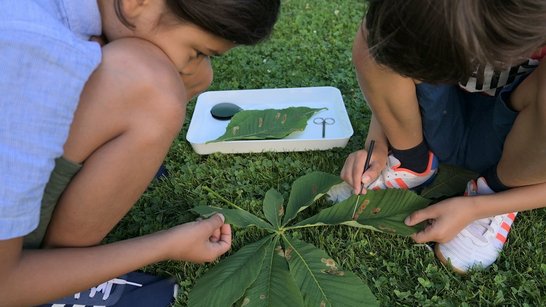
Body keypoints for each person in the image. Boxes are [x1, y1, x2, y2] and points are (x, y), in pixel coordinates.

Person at [0, 0, 280, 305]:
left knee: (180, 76)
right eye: (198, 51)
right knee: (155, 91)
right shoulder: (31, 49)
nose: (197, 66)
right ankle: (62, 272)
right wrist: (164, 245)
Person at [340, 0, 546, 273]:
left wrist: (479, 208)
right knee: (374, 39)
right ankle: (410, 160)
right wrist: (378, 143)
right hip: (440, 115)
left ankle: (497, 187)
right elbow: (392, 50)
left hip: (521, 139)